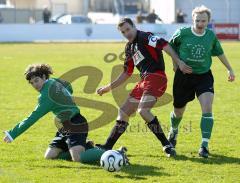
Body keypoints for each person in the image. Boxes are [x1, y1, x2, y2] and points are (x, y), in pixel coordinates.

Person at [96, 18, 188, 157]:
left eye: (128, 29)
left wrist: (178, 62)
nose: (126, 33)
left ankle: (166, 145)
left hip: (157, 77)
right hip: (144, 81)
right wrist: (108, 88)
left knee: (143, 111)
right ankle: (107, 146)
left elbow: (164, 45)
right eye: (123, 32)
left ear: (134, 26)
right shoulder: (129, 47)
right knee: (123, 112)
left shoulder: (145, 37)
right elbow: (127, 72)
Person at [2, 64, 115, 163]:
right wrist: (66, 97)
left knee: (78, 158)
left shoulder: (46, 96)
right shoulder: (53, 81)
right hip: (64, 126)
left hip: (75, 123)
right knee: (50, 156)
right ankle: (86, 147)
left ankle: (113, 154)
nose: (35, 85)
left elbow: (32, 118)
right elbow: (68, 86)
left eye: (36, 80)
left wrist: (12, 134)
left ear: (44, 77)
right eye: (32, 83)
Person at [168, 5, 235, 158]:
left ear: (208, 21)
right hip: (183, 77)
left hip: (204, 76)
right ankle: (173, 132)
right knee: (178, 111)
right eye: (197, 20)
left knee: (207, 108)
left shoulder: (210, 36)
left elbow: (219, 52)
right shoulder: (182, 33)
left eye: (203, 21)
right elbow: (169, 47)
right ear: (193, 19)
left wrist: (230, 69)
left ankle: (204, 146)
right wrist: (177, 63)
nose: (200, 24)